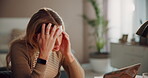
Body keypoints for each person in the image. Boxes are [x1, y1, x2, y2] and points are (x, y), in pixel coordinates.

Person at [6, 8, 85, 78]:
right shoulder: (18, 48)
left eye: (59, 35)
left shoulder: (59, 49)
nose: (58, 43)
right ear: (35, 36)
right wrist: (43, 56)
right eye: (52, 37)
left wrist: (68, 55)